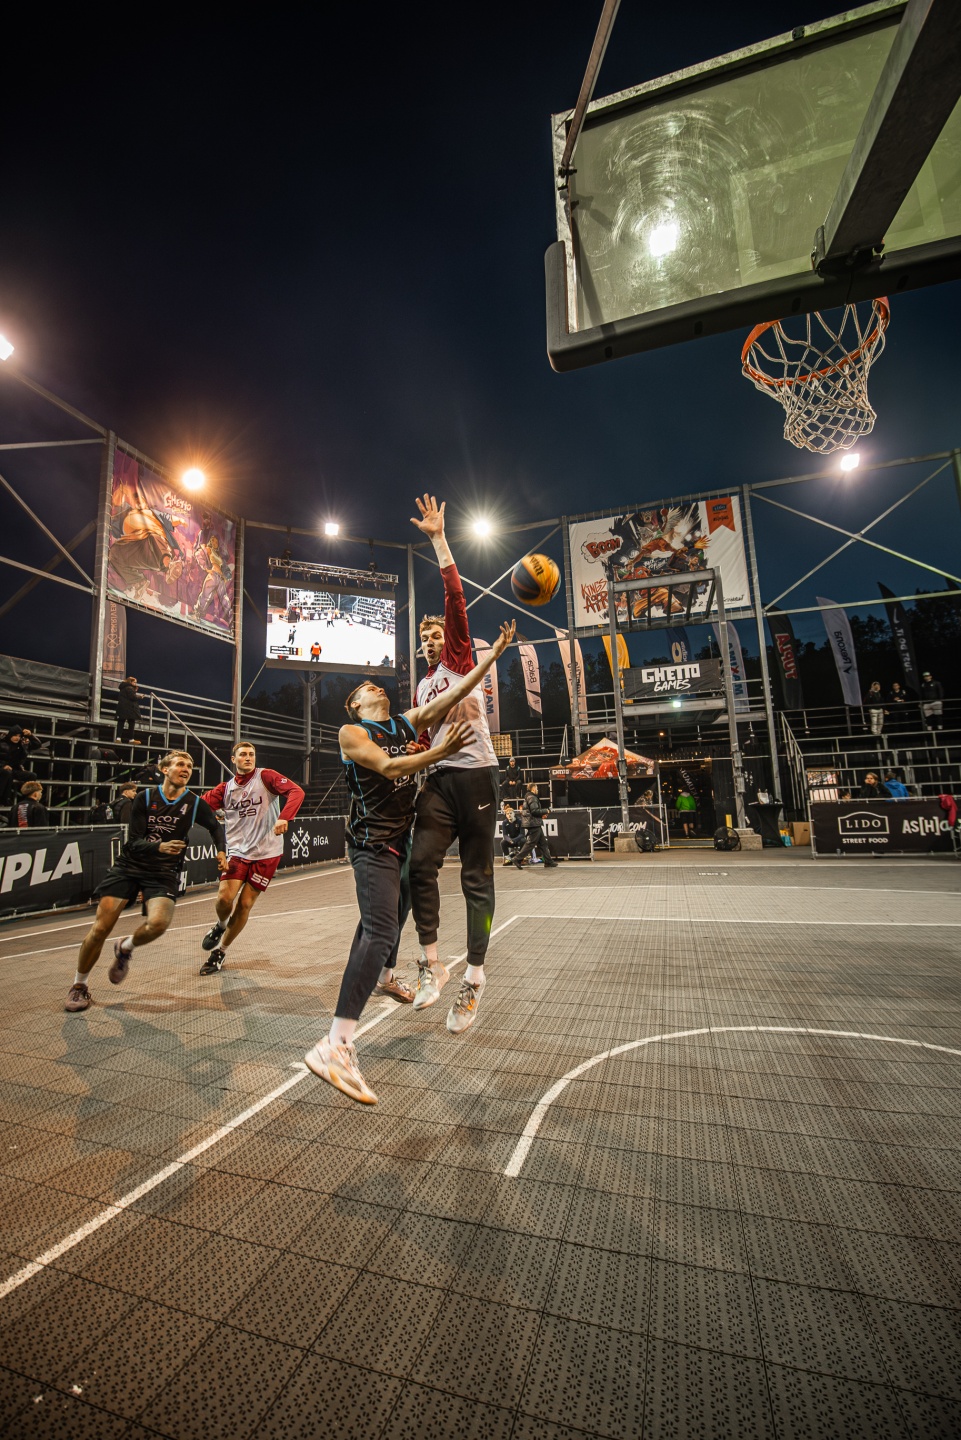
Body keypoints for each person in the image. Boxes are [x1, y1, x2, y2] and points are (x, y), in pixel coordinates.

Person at [304, 618, 514, 1104]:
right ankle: (336, 1044)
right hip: (373, 845)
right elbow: (391, 766)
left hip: (399, 841)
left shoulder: (405, 721)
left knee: (386, 917)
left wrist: (493, 655)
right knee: (380, 929)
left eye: (376, 684)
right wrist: (439, 752)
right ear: (356, 706)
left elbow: (454, 693)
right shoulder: (352, 733)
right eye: (365, 689)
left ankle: (397, 975)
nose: (375, 686)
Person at [408, 495, 507, 1030]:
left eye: (435, 633)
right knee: (419, 864)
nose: (430, 640)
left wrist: (439, 539)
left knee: (476, 878)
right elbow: (419, 743)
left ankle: (475, 977)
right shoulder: (422, 688)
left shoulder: (459, 658)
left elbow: (455, 596)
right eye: (423, 637)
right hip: (441, 779)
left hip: (477, 776)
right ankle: (432, 964)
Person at [64, 750, 227, 1013]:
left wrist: (221, 851)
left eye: (189, 766)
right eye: (180, 764)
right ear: (165, 769)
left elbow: (216, 827)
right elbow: (133, 842)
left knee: (159, 924)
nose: (186, 769)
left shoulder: (194, 803)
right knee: (100, 928)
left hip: (163, 872)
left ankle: (125, 948)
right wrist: (159, 847)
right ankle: (79, 985)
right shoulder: (145, 798)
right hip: (130, 866)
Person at [197, 742, 306, 975]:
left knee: (245, 904)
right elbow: (197, 808)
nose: (248, 758)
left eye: (251, 754)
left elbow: (296, 791)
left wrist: (284, 817)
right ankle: (220, 925)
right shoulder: (225, 789)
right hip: (238, 851)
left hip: (267, 852)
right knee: (224, 898)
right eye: (243, 754)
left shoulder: (266, 777)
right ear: (233, 759)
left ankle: (220, 952)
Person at [513, 783, 558, 868]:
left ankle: (548, 861)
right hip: (533, 823)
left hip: (534, 823)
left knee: (543, 843)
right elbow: (534, 811)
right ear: (533, 788)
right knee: (531, 843)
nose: (537, 790)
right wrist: (546, 811)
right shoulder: (532, 797)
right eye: (536, 788)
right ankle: (517, 858)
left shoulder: (528, 797)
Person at [116, 676, 141, 744]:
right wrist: (139, 696)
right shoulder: (129, 688)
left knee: (121, 723)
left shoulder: (123, 688)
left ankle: (118, 738)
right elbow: (132, 697)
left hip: (122, 708)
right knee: (131, 723)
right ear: (131, 682)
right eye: (134, 682)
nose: (135, 684)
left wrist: (134, 691)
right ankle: (131, 739)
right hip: (129, 708)